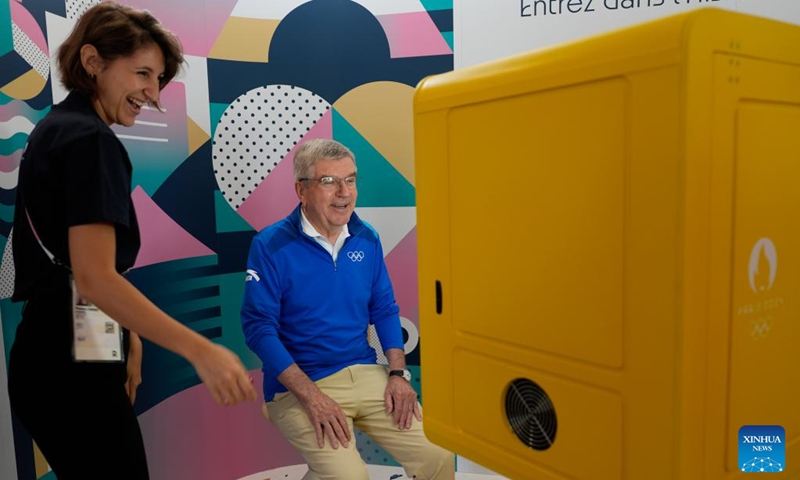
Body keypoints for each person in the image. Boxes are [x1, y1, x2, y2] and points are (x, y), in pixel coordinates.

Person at [7, 3, 256, 479]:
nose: (153, 92)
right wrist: (202, 350)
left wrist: (129, 335)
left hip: (63, 350)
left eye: (159, 78)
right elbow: (95, 278)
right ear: (93, 61)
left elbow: (76, 268)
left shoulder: (59, 128)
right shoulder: (90, 141)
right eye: (142, 72)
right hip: (67, 364)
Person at [241, 139, 455, 479]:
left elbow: (383, 308)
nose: (344, 192)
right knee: (349, 476)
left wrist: (398, 375)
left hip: (366, 373)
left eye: (351, 179)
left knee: (438, 454)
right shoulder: (270, 245)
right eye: (329, 181)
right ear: (302, 190)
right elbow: (258, 329)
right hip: (300, 385)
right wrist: (312, 396)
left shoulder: (365, 236)